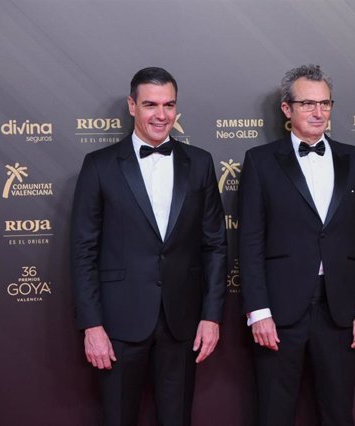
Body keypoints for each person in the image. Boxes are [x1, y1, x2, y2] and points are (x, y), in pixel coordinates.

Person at [70, 67, 227, 426]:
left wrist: (211, 315)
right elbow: (83, 250)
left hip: (182, 320)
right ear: (131, 106)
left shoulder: (199, 163)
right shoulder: (99, 165)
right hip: (118, 322)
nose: (161, 115)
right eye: (150, 104)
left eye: (169, 105)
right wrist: (91, 325)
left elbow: (215, 244)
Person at [238, 64, 355, 426]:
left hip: (340, 309)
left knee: (338, 412)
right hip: (279, 310)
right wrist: (259, 311)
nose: (319, 113)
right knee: (275, 413)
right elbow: (250, 242)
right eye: (307, 104)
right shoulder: (260, 161)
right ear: (287, 109)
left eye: (325, 103)